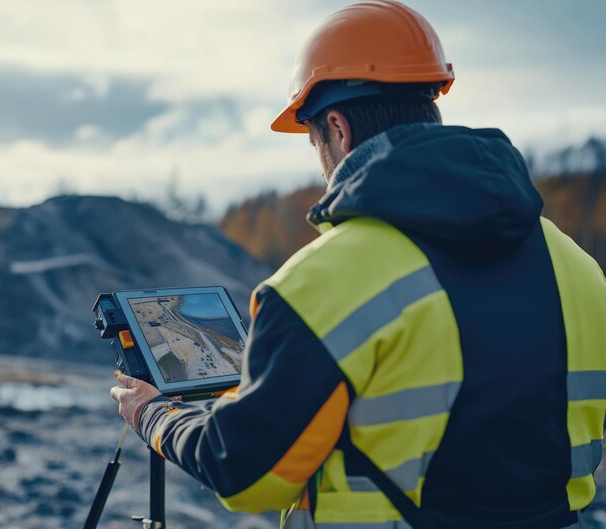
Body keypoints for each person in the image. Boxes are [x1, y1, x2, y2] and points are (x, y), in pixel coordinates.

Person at [111, 1, 606, 528]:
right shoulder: (575, 265)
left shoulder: (321, 282)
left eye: (312, 138)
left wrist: (153, 415)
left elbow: (246, 471)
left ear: (337, 129)